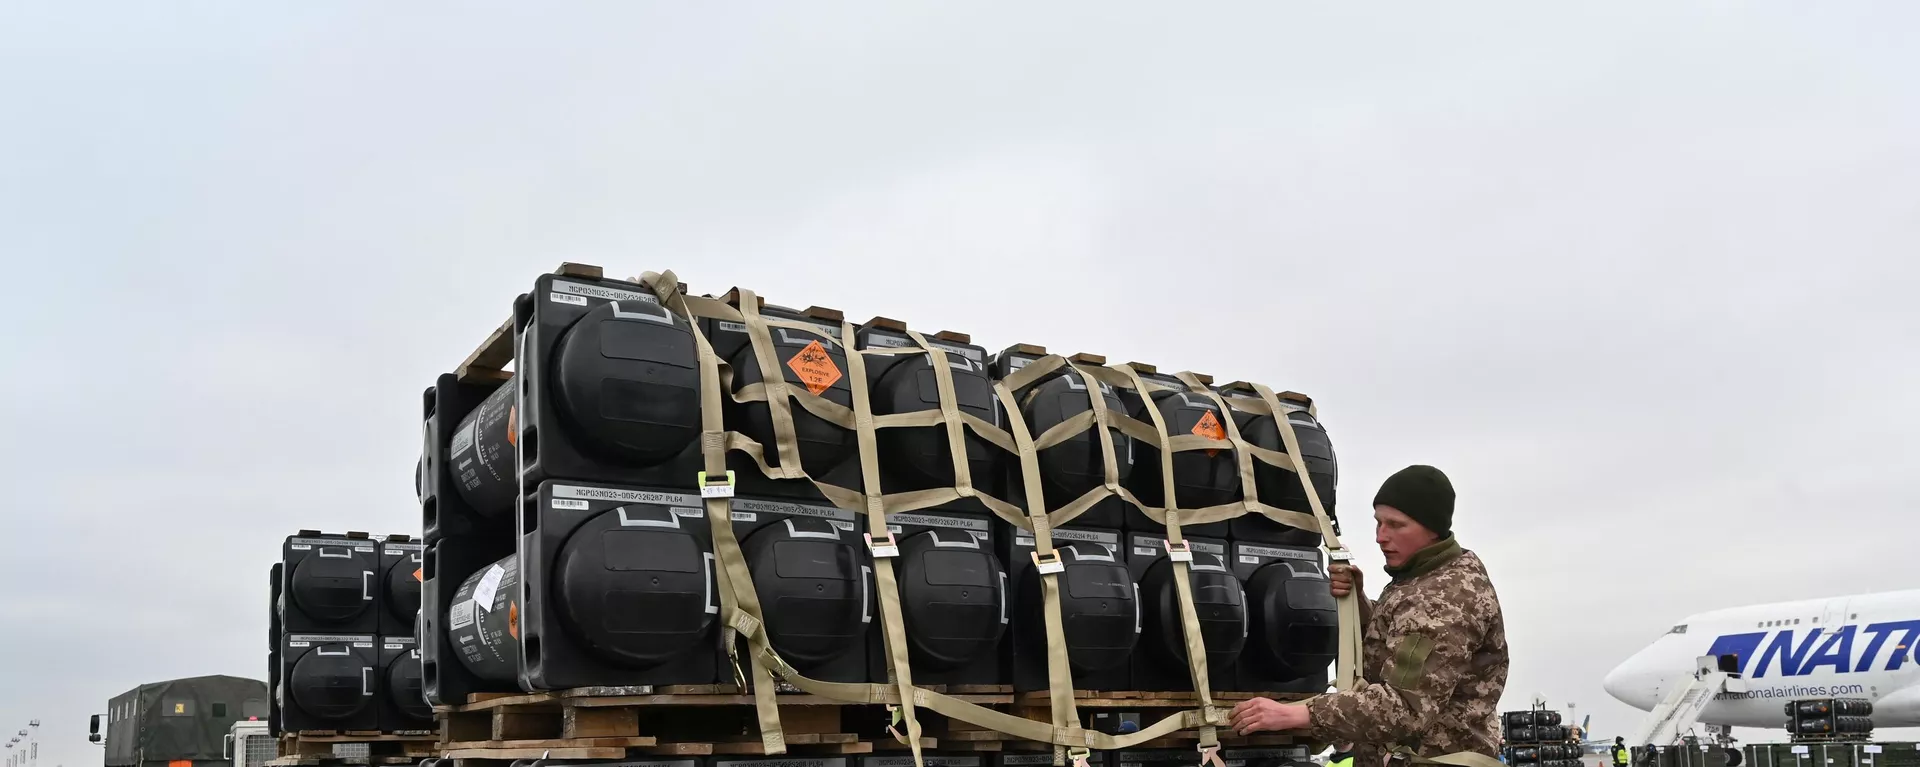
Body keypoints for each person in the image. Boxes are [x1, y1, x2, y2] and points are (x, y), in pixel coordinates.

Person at [1227, 465, 1509, 766]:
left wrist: (1294, 714)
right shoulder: (1421, 579)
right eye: (1378, 523)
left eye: (1396, 525)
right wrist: (1359, 602)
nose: (1381, 537)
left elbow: (1404, 707)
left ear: (1433, 529)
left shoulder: (1444, 598)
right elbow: (1402, 641)